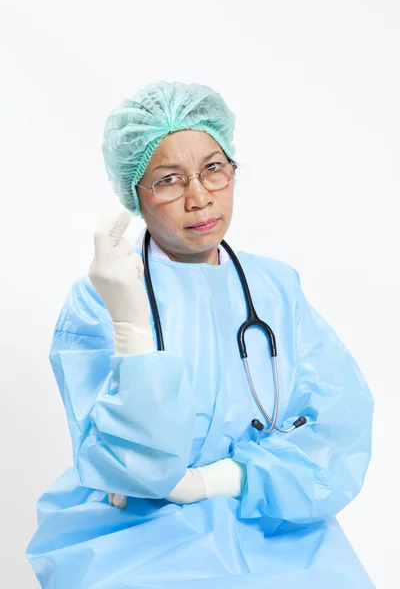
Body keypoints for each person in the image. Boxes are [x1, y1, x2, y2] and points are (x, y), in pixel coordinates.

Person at [26, 80, 375, 588]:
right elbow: (129, 470)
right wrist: (129, 321)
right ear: (134, 194)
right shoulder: (100, 298)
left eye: (214, 169)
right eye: (168, 180)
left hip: (272, 518)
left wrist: (219, 480)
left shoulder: (274, 286)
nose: (198, 197)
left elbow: (338, 425)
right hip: (137, 534)